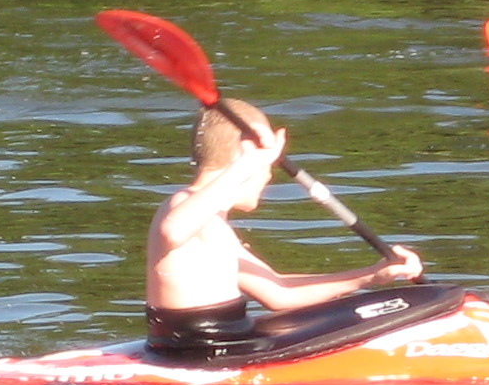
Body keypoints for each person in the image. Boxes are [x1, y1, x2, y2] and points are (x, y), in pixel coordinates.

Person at [145, 100, 421, 359]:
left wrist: (371, 276)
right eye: (269, 164)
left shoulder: (212, 224)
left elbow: (280, 292)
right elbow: (172, 230)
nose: (269, 174)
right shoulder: (181, 204)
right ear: (244, 153)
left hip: (226, 342)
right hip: (201, 350)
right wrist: (249, 163)